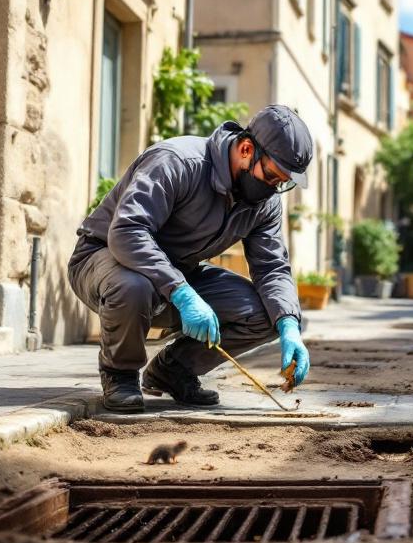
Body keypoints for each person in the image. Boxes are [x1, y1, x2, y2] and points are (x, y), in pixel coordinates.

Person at [68, 105, 314, 413]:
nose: (274, 188)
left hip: (177, 273)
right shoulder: (178, 162)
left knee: (268, 314)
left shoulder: (264, 204)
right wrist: (182, 293)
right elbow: (128, 231)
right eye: (272, 176)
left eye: (282, 183)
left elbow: (272, 267)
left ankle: (173, 370)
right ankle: (120, 374)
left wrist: (289, 324)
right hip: (105, 257)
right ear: (247, 149)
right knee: (134, 286)